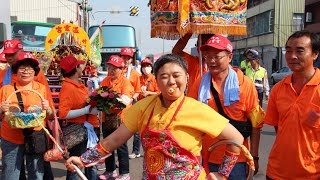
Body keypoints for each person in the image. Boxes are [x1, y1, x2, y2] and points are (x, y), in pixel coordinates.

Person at [66, 54, 245, 180]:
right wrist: (83, 159)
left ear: (187, 78)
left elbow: (236, 137)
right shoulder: (144, 107)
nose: (171, 81)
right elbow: (114, 140)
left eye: (176, 75)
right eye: (164, 76)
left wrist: (222, 173)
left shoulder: (197, 109)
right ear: (156, 80)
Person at [188, 35, 264, 179]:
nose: (211, 60)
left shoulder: (245, 84)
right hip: (207, 156)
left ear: (229, 57)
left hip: (238, 159)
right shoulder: (200, 83)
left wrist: (254, 156)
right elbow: (190, 117)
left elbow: (256, 125)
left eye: (217, 56)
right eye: (207, 56)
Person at [264, 30, 320, 179]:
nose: (292, 56)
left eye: (300, 51)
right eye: (288, 51)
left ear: (315, 54)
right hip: (276, 172)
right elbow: (279, 129)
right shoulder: (278, 89)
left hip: (312, 174)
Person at [0, 40, 54, 180]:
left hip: (34, 135)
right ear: (16, 70)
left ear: (35, 71)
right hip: (11, 136)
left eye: (30, 68)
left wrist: (47, 110)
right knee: (11, 173)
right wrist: (1, 110)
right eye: (22, 68)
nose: (26, 71)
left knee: (36, 173)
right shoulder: (6, 88)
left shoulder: (40, 88)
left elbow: (49, 114)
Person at [58, 55, 100, 180]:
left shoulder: (79, 85)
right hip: (78, 132)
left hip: (88, 129)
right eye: (80, 65)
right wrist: (86, 110)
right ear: (76, 68)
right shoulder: (68, 87)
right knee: (76, 167)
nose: (83, 67)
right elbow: (63, 114)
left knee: (91, 164)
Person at [99, 55, 134, 180]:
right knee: (107, 145)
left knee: (121, 147)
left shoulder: (125, 82)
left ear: (122, 69)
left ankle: (124, 173)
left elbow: (125, 100)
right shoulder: (105, 81)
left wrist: (109, 97)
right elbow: (98, 95)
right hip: (106, 118)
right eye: (109, 67)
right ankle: (110, 170)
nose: (111, 71)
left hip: (121, 119)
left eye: (115, 68)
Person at [129, 57, 159, 159]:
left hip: (152, 107)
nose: (146, 68)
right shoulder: (139, 79)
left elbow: (160, 93)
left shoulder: (155, 79)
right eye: (144, 66)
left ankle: (153, 151)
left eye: (148, 66)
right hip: (141, 107)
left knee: (151, 131)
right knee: (137, 131)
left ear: (151, 67)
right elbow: (134, 90)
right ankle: (136, 151)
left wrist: (149, 93)